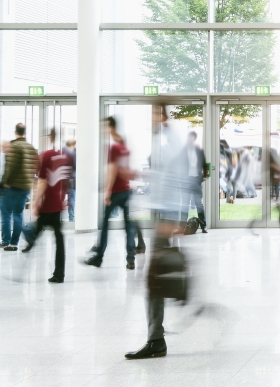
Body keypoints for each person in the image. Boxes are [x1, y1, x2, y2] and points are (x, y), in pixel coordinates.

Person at [126, 106, 186, 360]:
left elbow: (180, 179)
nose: (150, 117)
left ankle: (156, 339)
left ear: (162, 114)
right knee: (155, 281)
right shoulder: (163, 140)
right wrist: (143, 175)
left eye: (154, 112)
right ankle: (156, 335)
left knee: (153, 283)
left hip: (165, 218)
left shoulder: (170, 141)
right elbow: (165, 177)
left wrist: (175, 220)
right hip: (162, 216)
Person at [84, 117, 137, 270]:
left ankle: (99, 257)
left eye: (105, 126)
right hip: (126, 191)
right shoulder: (123, 146)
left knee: (105, 225)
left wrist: (107, 191)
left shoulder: (113, 147)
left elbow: (112, 170)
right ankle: (130, 259)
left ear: (111, 127)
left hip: (116, 192)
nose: (103, 129)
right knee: (128, 227)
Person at [21, 128, 71, 283]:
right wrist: (65, 198)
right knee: (58, 237)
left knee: (36, 229)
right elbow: (67, 179)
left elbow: (42, 182)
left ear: (49, 137)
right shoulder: (65, 156)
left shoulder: (47, 155)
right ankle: (59, 273)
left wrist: (35, 202)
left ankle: (30, 243)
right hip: (58, 202)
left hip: (49, 202)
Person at [0, 123, 38, 251]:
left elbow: (10, 168)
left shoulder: (14, 146)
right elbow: (34, 167)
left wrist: (4, 183)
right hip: (25, 187)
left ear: (15, 132)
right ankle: (14, 243)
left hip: (12, 187)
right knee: (18, 214)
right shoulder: (30, 147)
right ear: (24, 132)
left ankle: (6, 240)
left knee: (5, 214)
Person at [181, 131, 208, 233]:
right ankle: (183, 226)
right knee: (185, 204)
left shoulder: (199, 151)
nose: (190, 140)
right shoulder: (183, 150)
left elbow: (204, 164)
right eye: (189, 138)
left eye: (192, 138)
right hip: (186, 181)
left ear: (194, 139)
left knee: (199, 204)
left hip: (196, 180)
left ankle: (203, 226)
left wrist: (204, 176)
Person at [64, 139, 77, 222]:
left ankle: (71, 217)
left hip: (68, 178)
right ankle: (71, 217)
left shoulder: (67, 154)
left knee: (70, 198)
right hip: (73, 178)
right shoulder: (74, 154)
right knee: (72, 197)